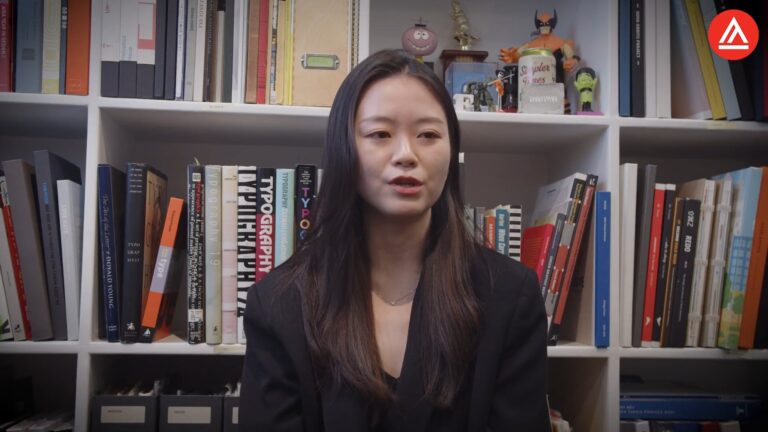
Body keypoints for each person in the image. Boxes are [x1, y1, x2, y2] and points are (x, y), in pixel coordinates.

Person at [239, 49, 550, 431]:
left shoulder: (509, 296)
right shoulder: (279, 304)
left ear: (452, 152)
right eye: (380, 134)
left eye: (428, 135)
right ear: (344, 150)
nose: (406, 154)